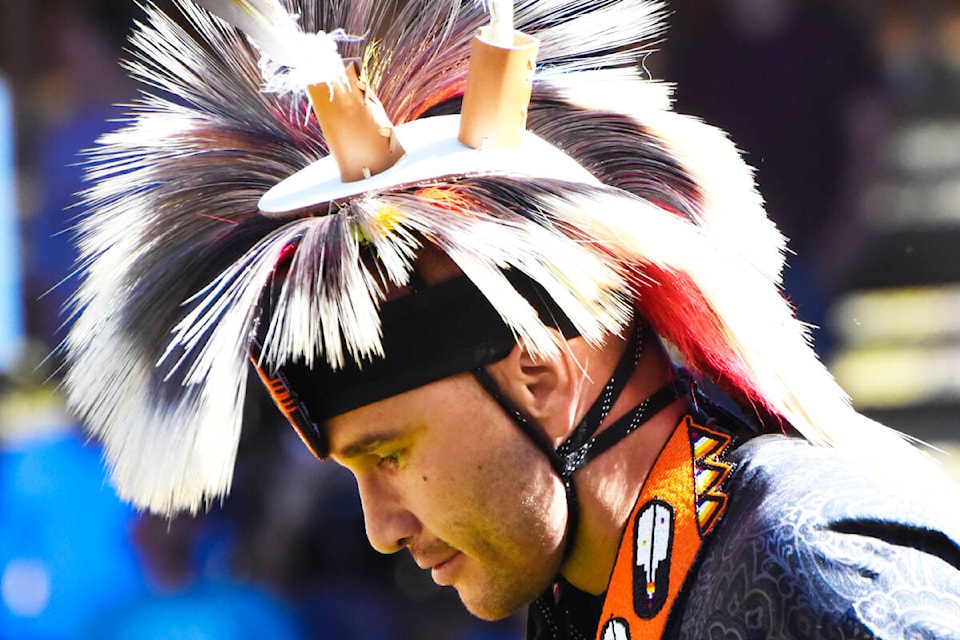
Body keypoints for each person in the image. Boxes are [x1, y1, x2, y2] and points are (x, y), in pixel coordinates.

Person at [61, 0, 960, 638]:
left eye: (389, 454)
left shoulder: (826, 580)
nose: (381, 525)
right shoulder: (597, 601)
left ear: (539, 359)